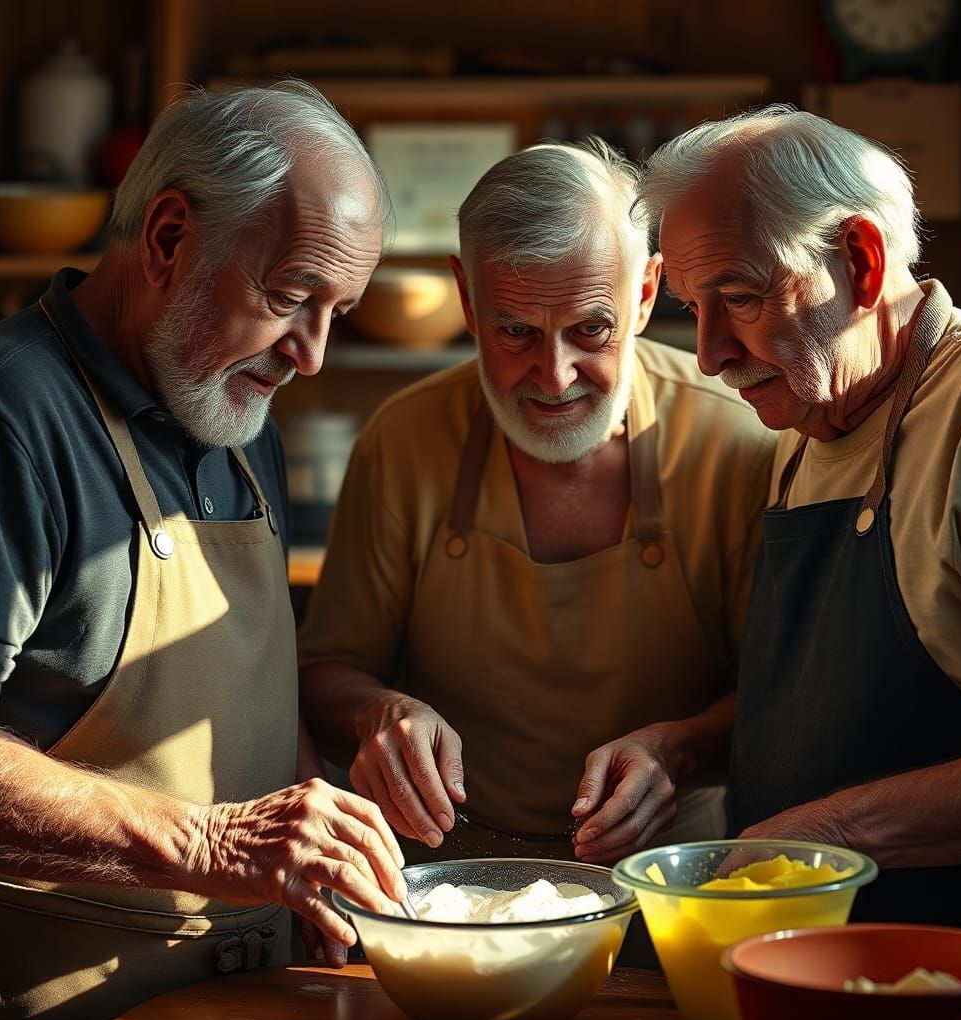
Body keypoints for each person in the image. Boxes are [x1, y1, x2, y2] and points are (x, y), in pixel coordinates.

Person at [0, 82, 408, 1020]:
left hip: (246, 996)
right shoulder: (18, 418)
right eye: (291, 297)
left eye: (338, 312)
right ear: (169, 238)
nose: (311, 354)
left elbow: (256, 691)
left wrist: (319, 853)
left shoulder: (236, 412)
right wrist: (211, 845)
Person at [298, 140, 774, 870]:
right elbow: (327, 670)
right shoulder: (404, 440)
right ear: (467, 300)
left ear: (646, 293)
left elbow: (780, 693)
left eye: (591, 329)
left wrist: (676, 750)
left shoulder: (735, 441)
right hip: (449, 876)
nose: (554, 376)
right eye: (516, 330)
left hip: (673, 875)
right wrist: (377, 714)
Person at [644, 104, 961, 934]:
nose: (709, 354)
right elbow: (826, 709)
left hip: (958, 962)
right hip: (799, 954)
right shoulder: (809, 415)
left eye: (739, 296)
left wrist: (834, 835)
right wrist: (681, 748)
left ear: (860, 260)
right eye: (693, 309)